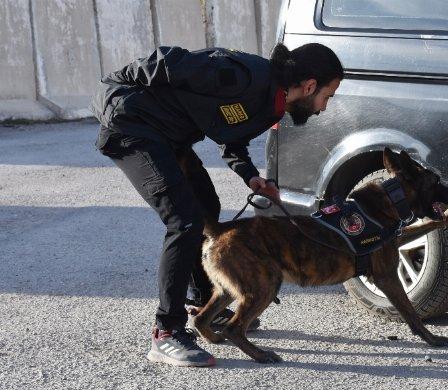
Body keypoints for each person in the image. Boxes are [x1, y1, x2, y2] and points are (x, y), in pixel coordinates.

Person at [91, 43, 344, 367]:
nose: (324, 106)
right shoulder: (244, 76)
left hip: (169, 138)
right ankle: (166, 333)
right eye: (328, 95)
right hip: (131, 127)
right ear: (309, 86)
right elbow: (166, 61)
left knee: (206, 210)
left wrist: (253, 178)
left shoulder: (271, 104)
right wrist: (114, 91)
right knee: (184, 221)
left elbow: (230, 135)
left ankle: (204, 304)